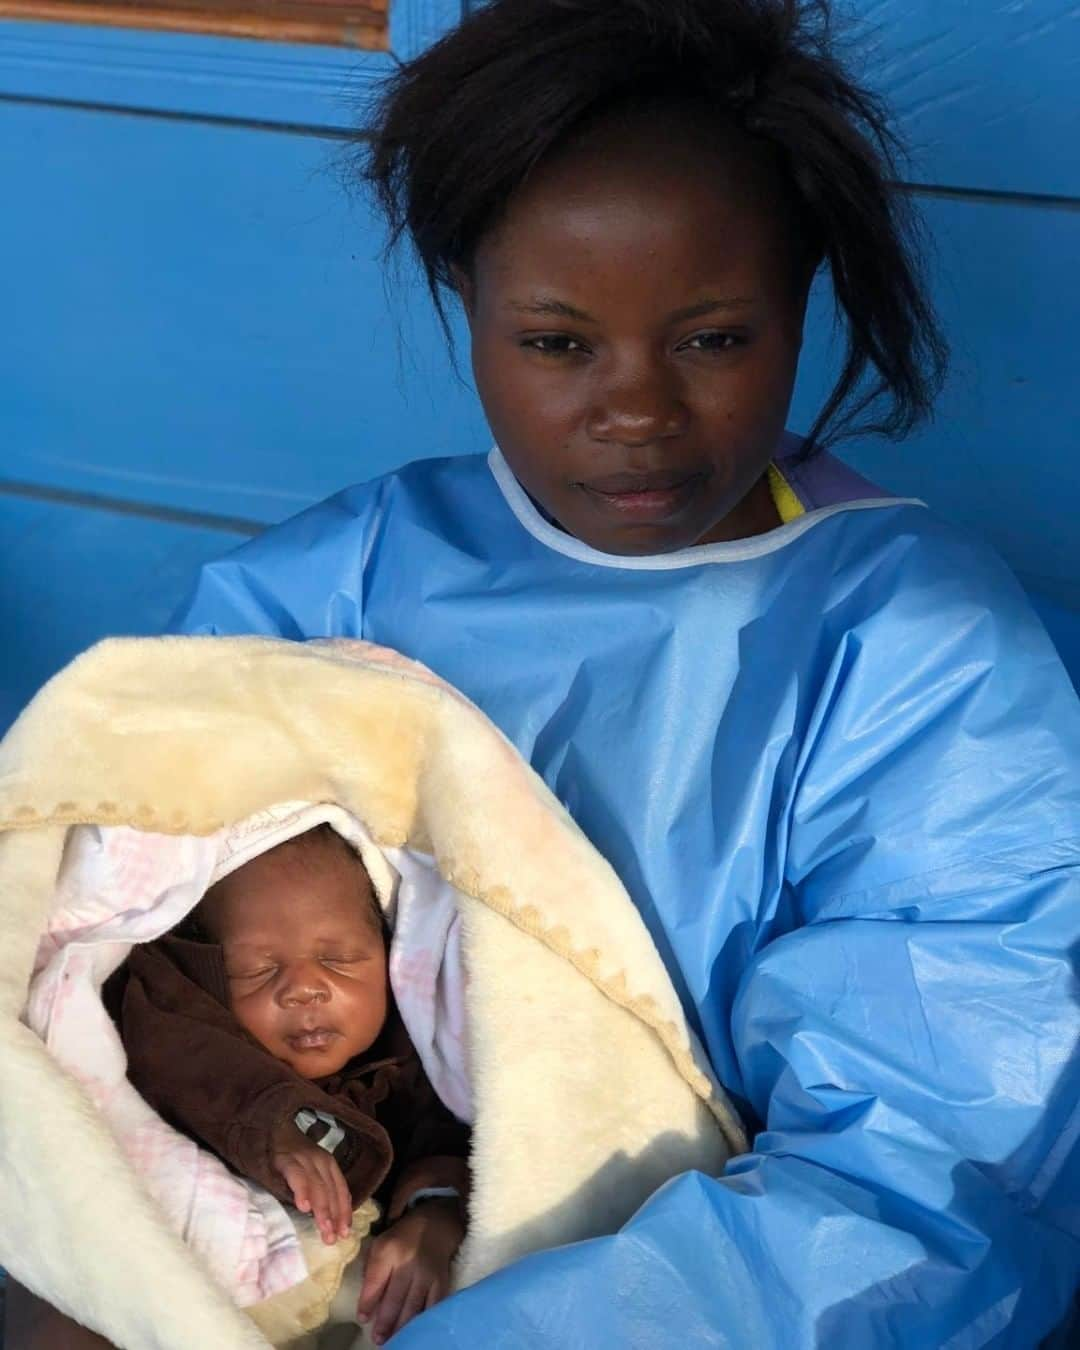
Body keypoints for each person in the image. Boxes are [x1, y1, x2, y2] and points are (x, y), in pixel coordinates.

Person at [11, 0, 1078, 1345]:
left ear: (799, 303)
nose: (635, 408)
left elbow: (922, 1197)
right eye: (558, 343)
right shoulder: (338, 581)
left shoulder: (924, 663)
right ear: (472, 309)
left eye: (713, 338)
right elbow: (87, 895)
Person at [110, 824, 470, 1348]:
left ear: (394, 957)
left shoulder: (416, 1060)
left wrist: (434, 1217)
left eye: (338, 959)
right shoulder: (184, 1042)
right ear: (208, 974)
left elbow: (448, 1147)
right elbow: (166, 1045)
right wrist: (272, 1125)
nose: (303, 988)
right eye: (258, 970)